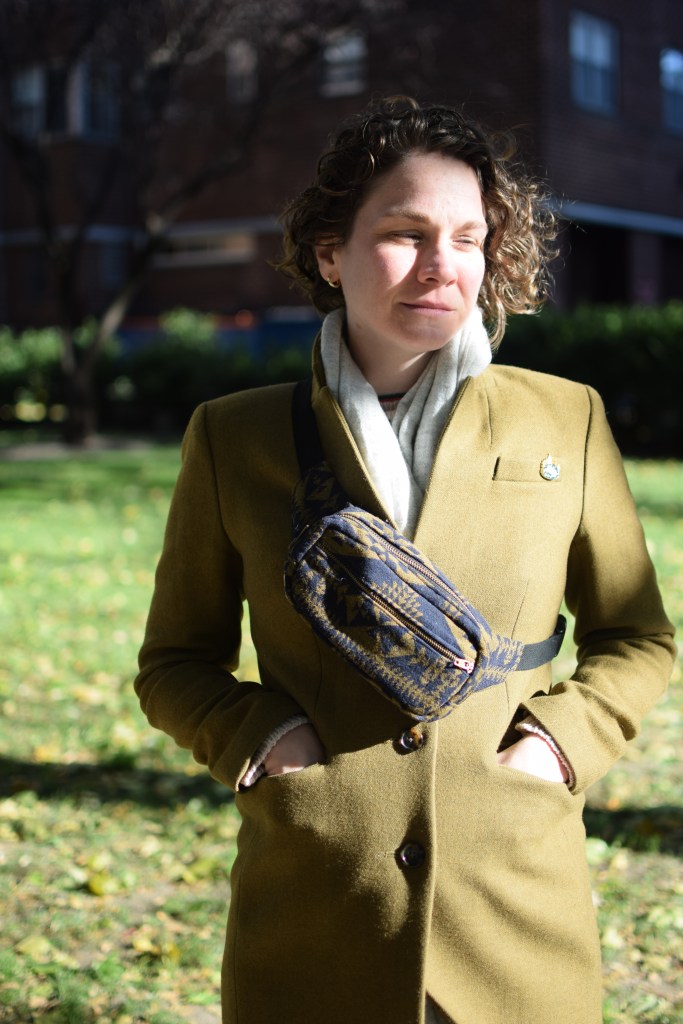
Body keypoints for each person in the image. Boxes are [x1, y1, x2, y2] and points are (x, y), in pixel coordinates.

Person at [135, 97, 675, 1024]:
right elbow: (174, 665)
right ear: (329, 254)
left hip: (514, 905)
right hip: (315, 908)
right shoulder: (234, 438)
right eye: (404, 232)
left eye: (467, 238)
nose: (441, 265)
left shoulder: (565, 418)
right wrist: (264, 741)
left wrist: (559, 746)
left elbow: (636, 638)